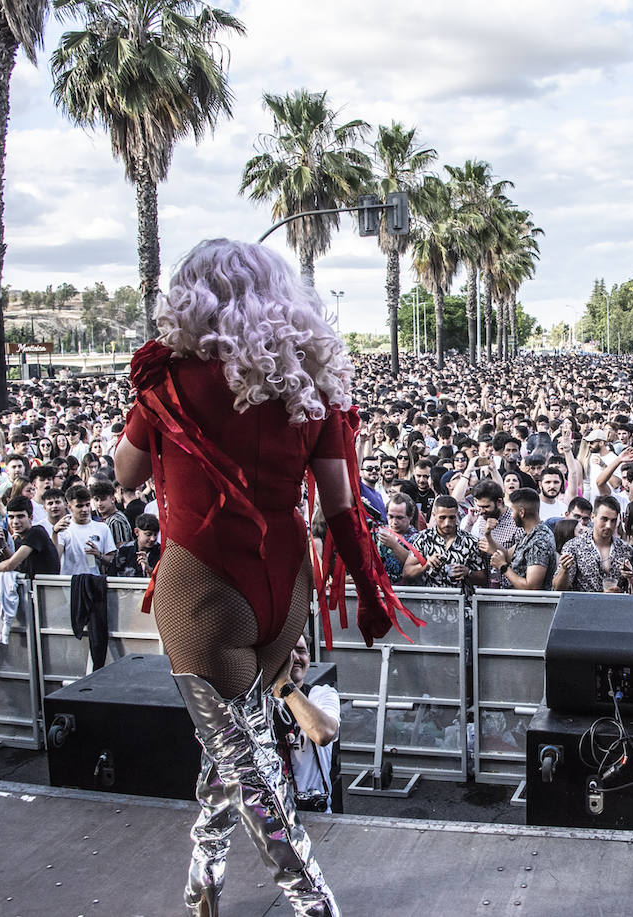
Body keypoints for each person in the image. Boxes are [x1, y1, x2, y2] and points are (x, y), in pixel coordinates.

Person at [112, 239, 411, 916]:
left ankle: (312, 902)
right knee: (234, 742)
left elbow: (125, 474)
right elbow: (342, 508)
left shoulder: (167, 381)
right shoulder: (310, 384)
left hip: (203, 591)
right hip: (285, 590)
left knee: (248, 760)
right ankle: (203, 879)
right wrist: (370, 591)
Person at [271, 637, 339, 814]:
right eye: (287, 652)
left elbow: (323, 734)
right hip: (269, 815)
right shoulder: (259, 703)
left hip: (313, 813)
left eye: (300, 651)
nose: (294, 658)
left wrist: (284, 684)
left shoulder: (322, 694)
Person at [404, 495, 488, 588]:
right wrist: (426, 565)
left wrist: (468, 572)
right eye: (442, 518)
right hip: (431, 600)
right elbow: (407, 573)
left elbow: (483, 579)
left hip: (461, 600)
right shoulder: (423, 538)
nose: (447, 523)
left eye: (452, 518)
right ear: (434, 515)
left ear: (457, 515)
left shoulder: (470, 541)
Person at [554, 495, 633, 593]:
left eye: (613, 520)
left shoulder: (626, 549)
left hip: (616, 606)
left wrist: (626, 584)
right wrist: (564, 570)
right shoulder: (574, 546)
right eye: (604, 519)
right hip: (584, 606)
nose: (609, 525)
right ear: (593, 517)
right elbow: (558, 588)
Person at [488, 488, 557, 590]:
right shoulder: (528, 534)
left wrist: (503, 567)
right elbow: (507, 555)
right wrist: (488, 535)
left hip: (529, 605)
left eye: (512, 510)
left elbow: (532, 587)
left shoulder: (539, 542)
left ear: (521, 512)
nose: (511, 515)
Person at [54, 483, 116, 577]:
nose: (85, 509)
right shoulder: (63, 529)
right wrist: (54, 533)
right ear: (69, 507)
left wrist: (99, 555)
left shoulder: (102, 528)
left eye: (87, 505)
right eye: (79, 506)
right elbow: (55, 558)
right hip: (69, 584)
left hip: (94, 582)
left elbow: (112, 560)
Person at [0, 495, 61, 576]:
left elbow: (10, 565)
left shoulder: (37, 532)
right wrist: (3, 546)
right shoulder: (18, 539)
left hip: (47, 586)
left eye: (20, 516)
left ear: (31, 517)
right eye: (11, 517)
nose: (15, 521)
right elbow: (18, 566)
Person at [108, 512, 159, 579]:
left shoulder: (160, 551)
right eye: (148, 534)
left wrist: (149, 570)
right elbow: (112, 575)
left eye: (155, 535)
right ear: (137, 532)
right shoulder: (124, 550)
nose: (153, 539)